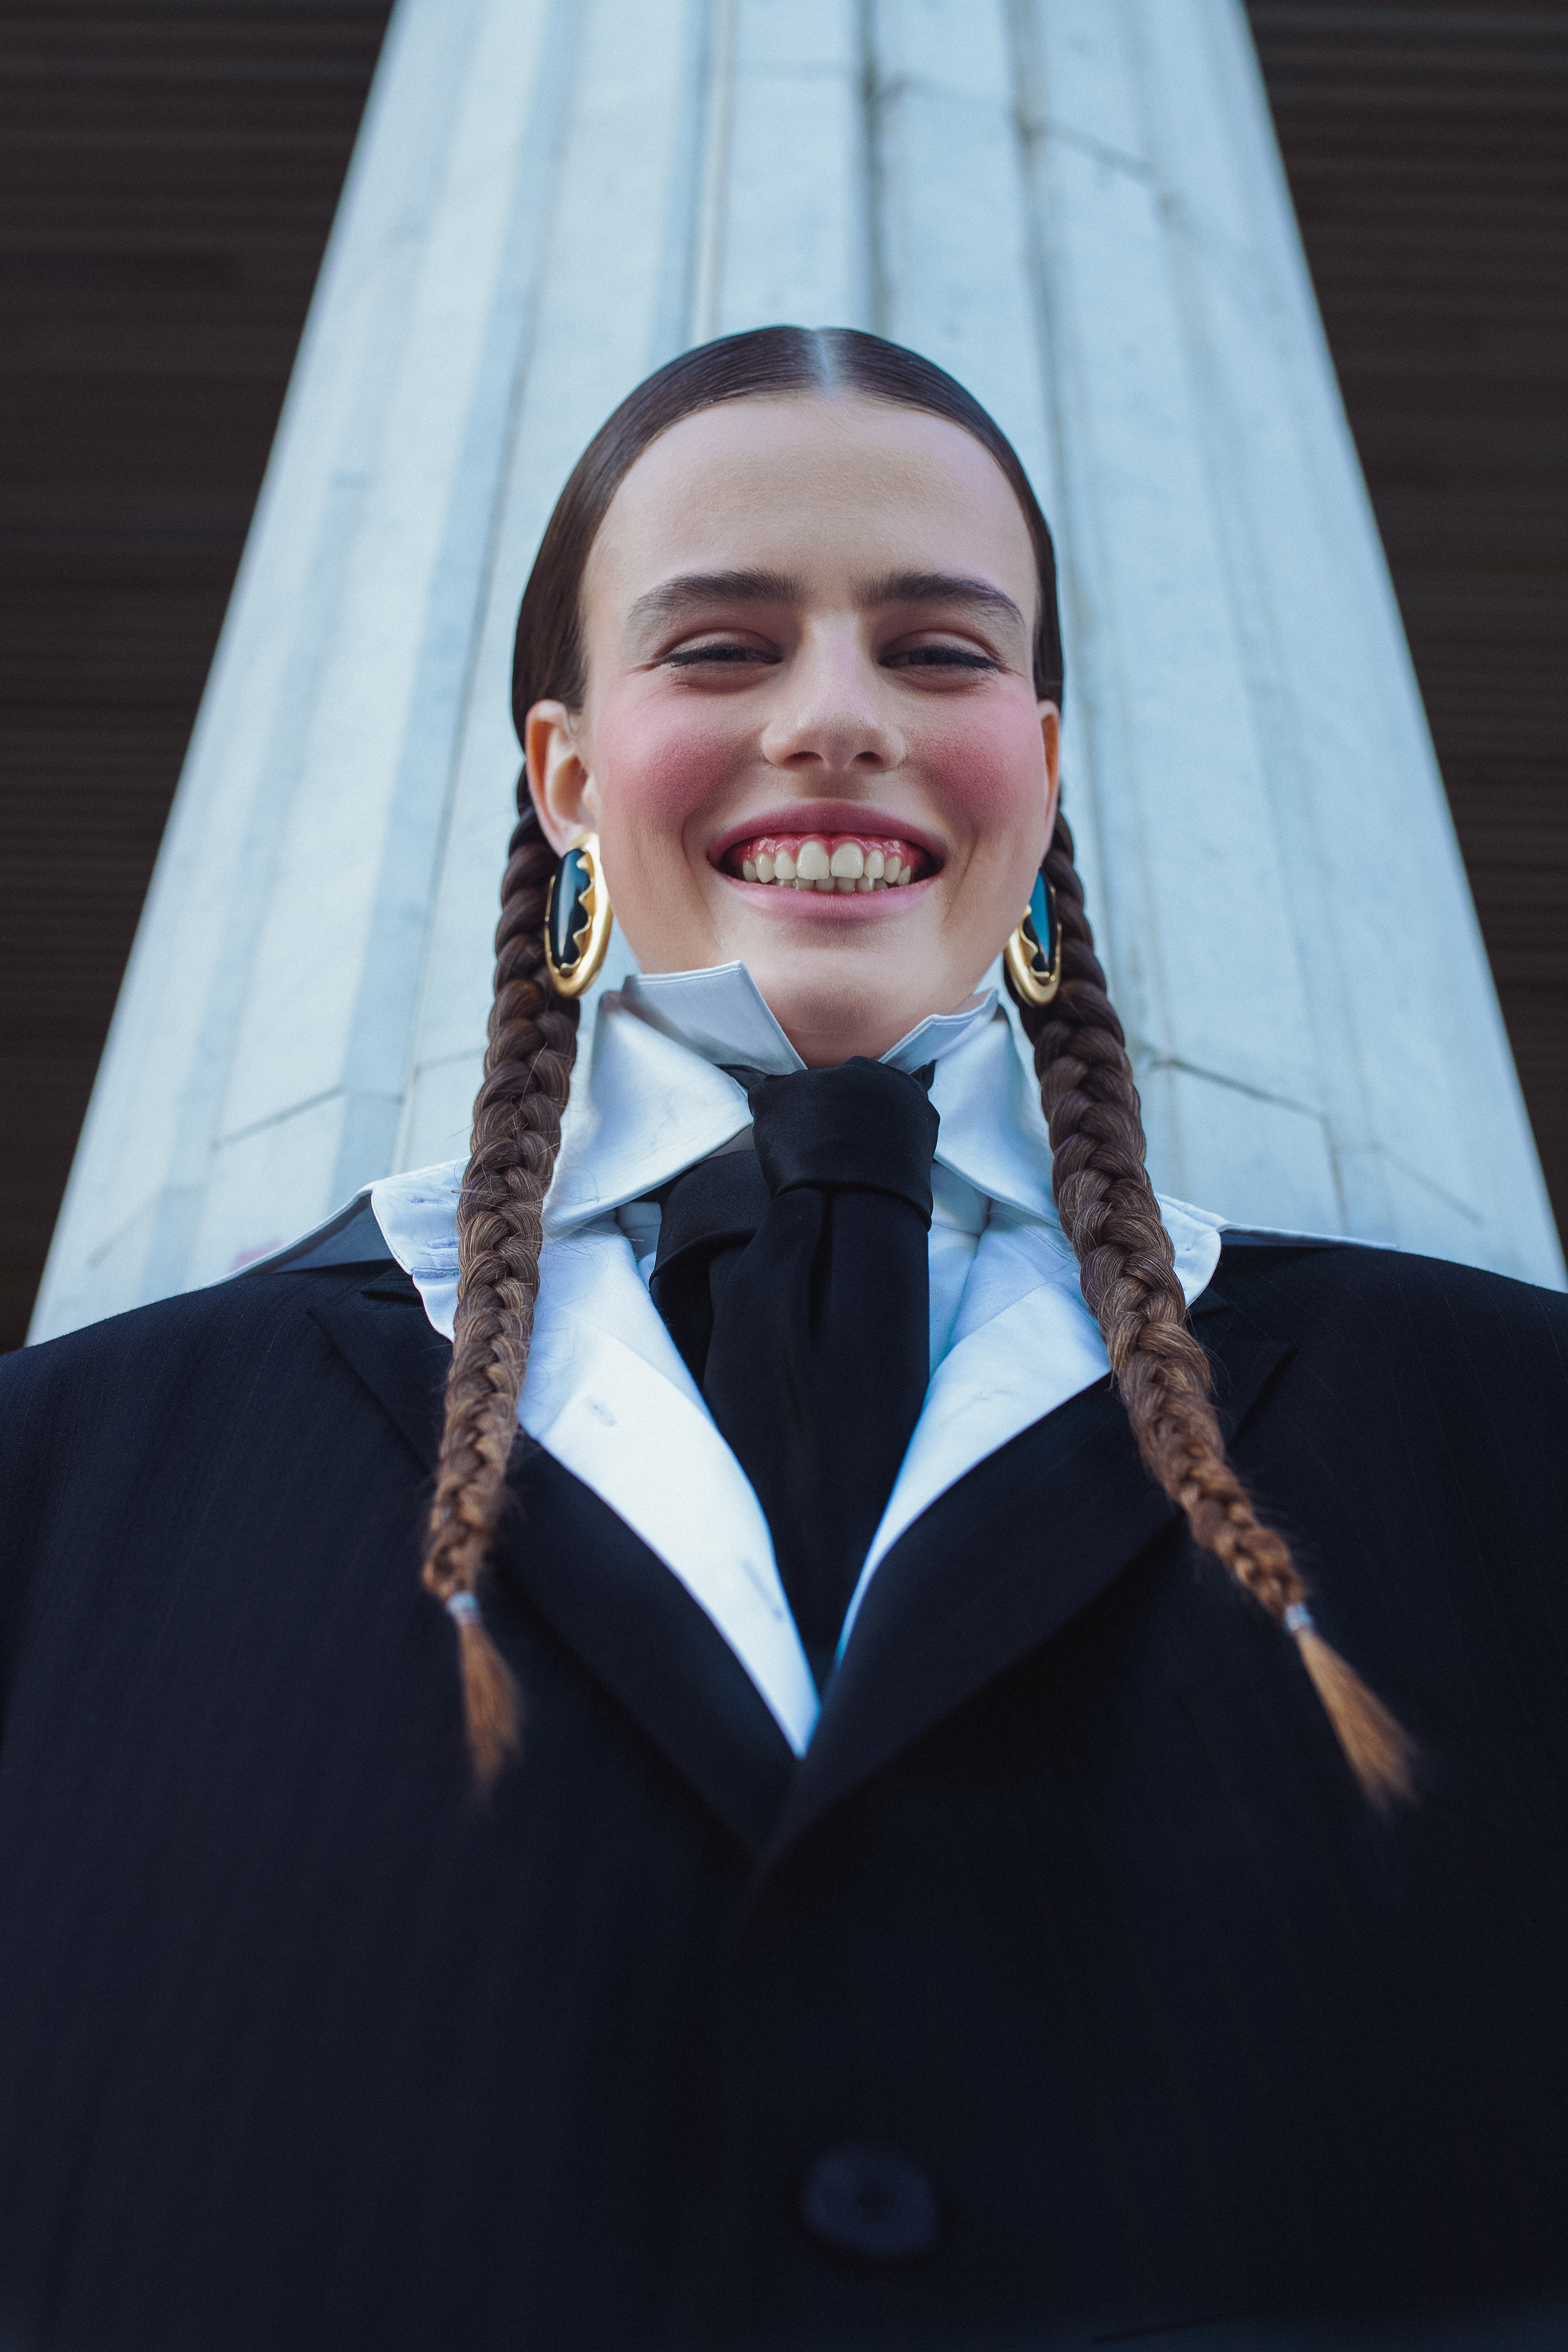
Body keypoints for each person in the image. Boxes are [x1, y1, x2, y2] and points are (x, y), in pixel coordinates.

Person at [0, 326, 1565, 2352]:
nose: (838, 716)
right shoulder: (65, 1490)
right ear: (564, 775)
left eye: (937, 651)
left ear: (1043, 760)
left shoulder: (1516, 1446)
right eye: (724, 648)